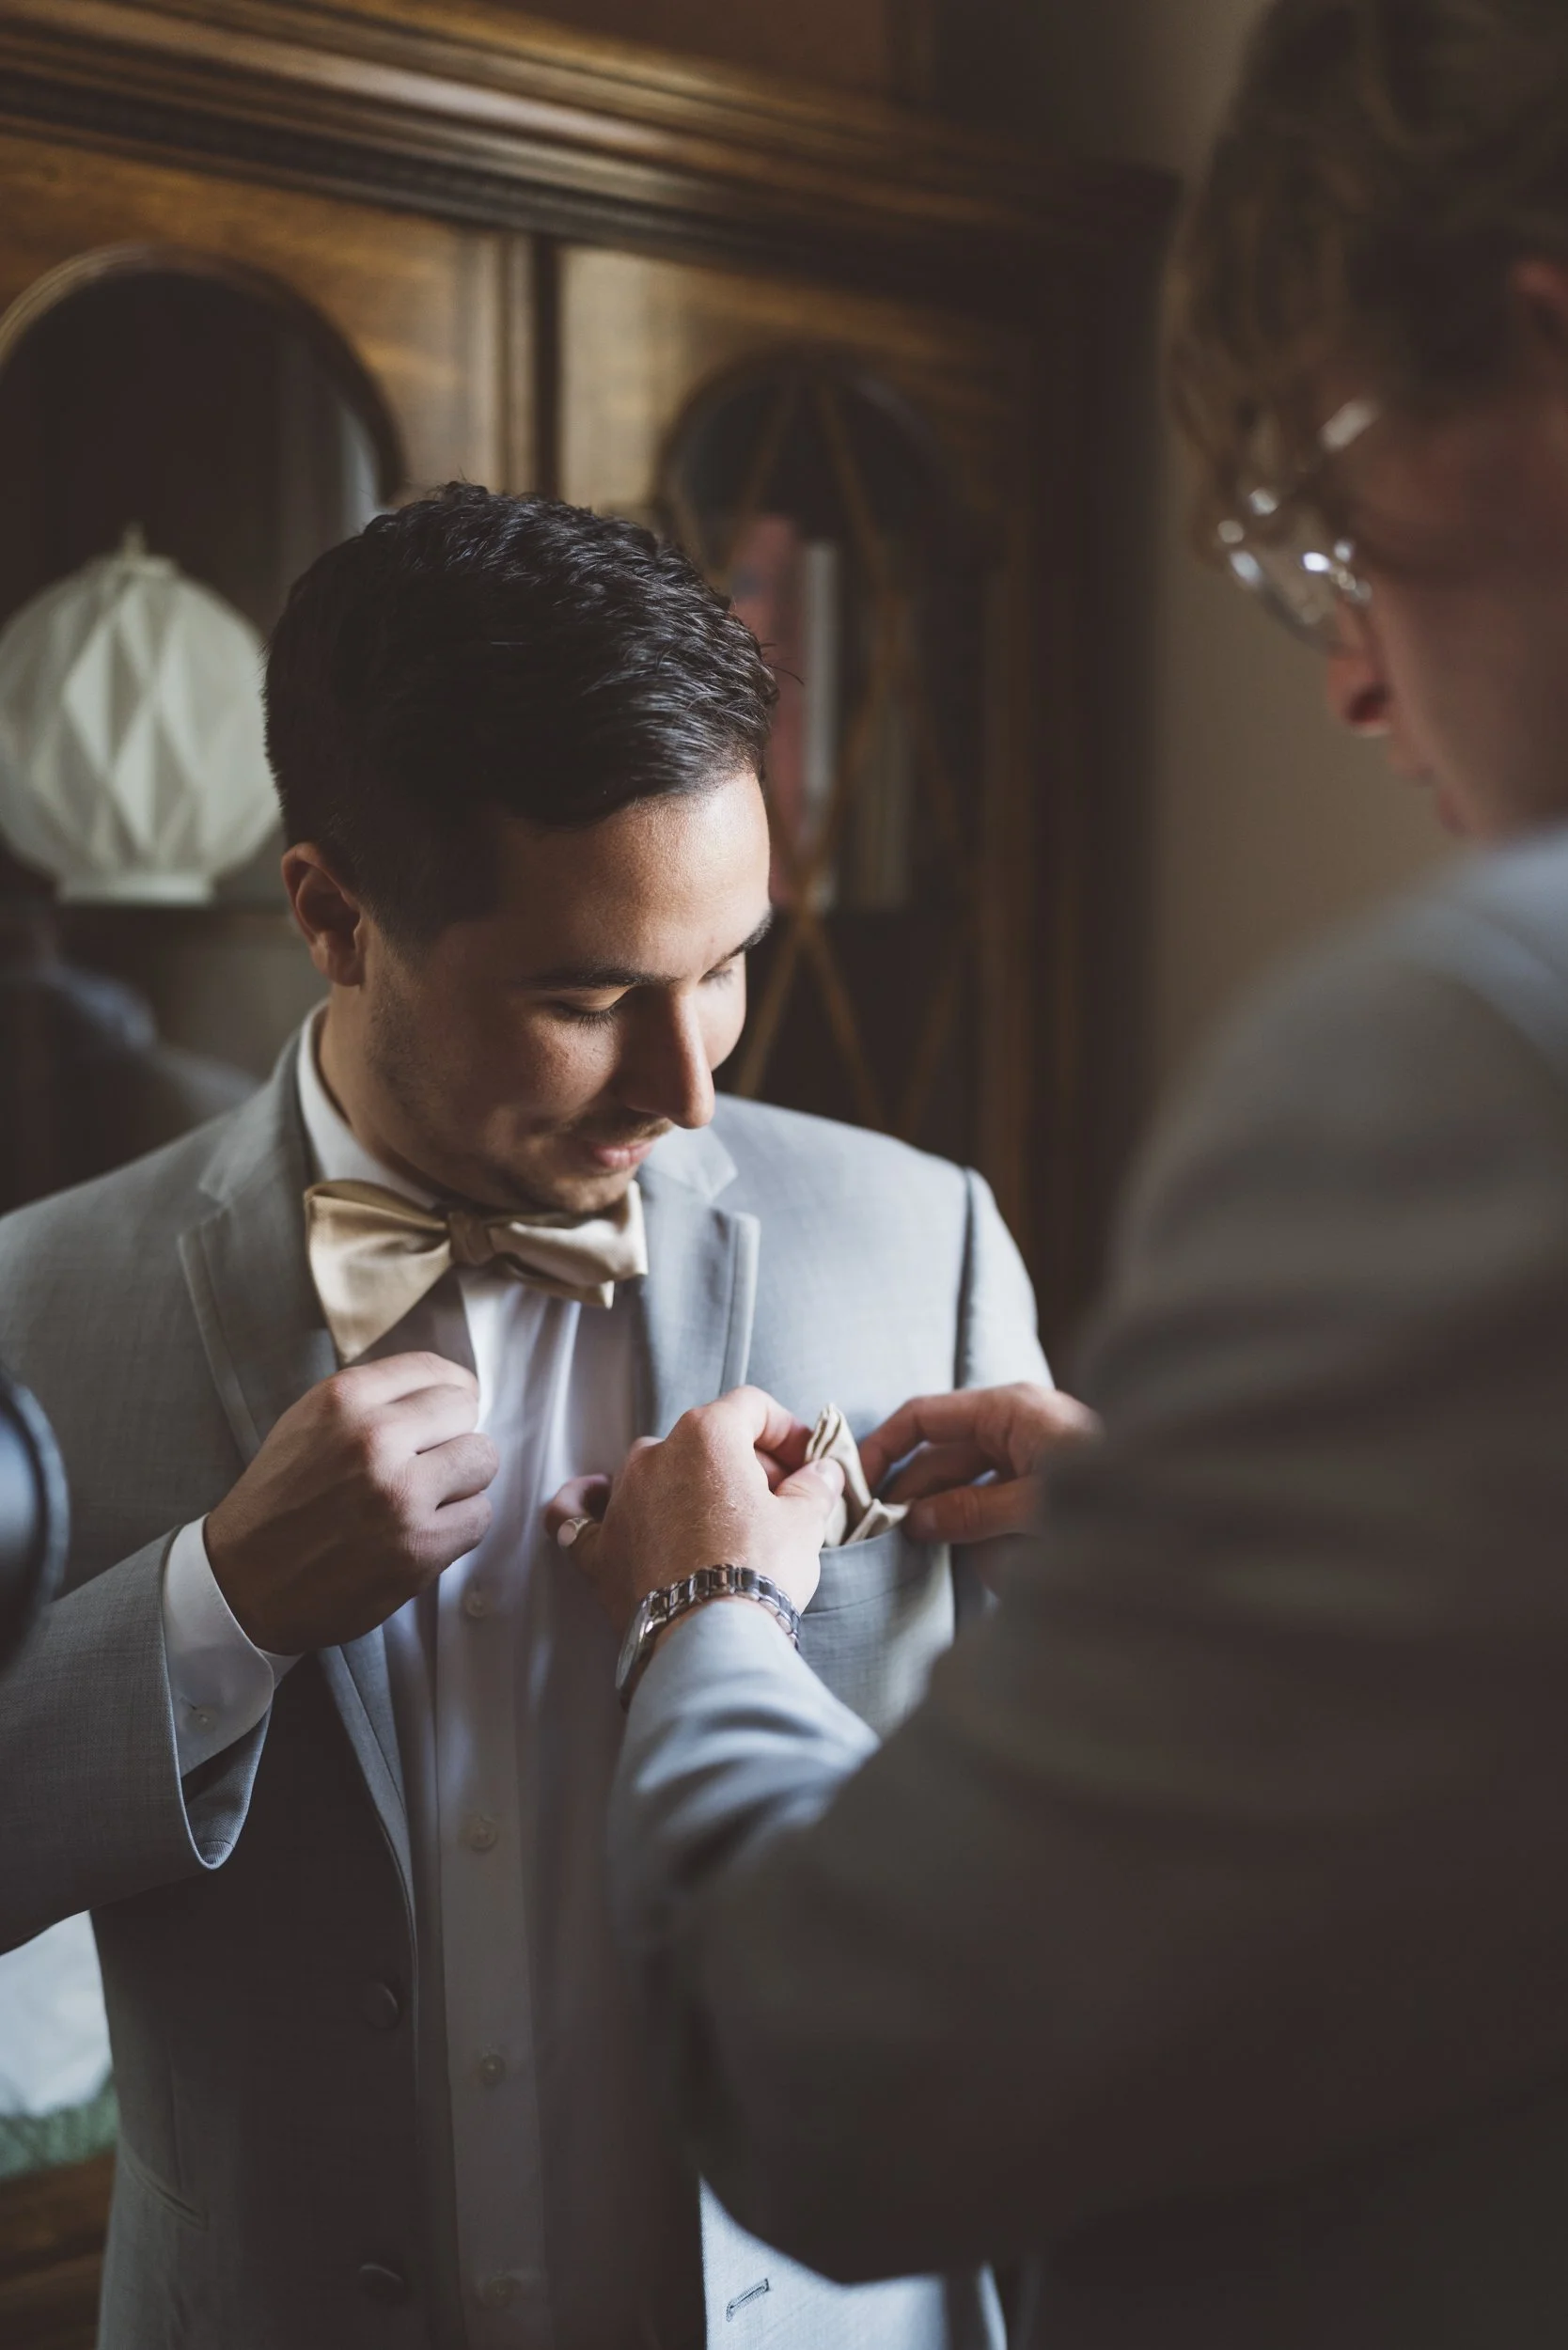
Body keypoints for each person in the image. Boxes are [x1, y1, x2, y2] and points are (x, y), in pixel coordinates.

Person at [557, 4, 1568, 2343]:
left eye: (1331, 522)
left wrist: (704, 1616)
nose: (1345, 675)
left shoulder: (1461, 1060)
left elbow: (833, 2079)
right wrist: (1189, 1533)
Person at [0, 486, 1057, 2349]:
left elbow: (1049, 1859)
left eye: (725, 962)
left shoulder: (923, 1239)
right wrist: (212, 1609)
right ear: (331, 911)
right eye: (589, 996)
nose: (690, 1080)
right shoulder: (37, 1303)